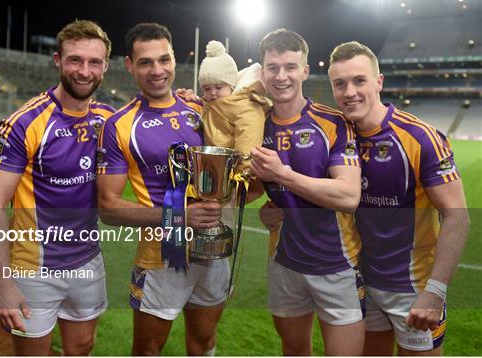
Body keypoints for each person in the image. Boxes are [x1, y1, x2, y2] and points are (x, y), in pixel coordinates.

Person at [0, 20, 116, 355]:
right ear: (58, 60)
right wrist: (3, 283)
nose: (84, 71)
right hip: (33, 268)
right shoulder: (24, 124)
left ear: (105, 66)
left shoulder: (108, 120)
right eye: (75, 60)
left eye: (94, 62)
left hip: (88, 261)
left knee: (83, 347)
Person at [327, 41, 470, 355]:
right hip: (361, 283)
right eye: (340, 84)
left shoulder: (420, 137)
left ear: (379, 82)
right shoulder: (336, 138)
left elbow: (457, 215)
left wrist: (435, 291)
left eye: (359, 80)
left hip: (414, 290)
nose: (349, 92)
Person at [96, 22, 226, 356]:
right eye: (146, 62)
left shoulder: (201, 110)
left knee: (204, 343)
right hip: (160, 259)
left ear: (174, 60)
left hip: (212, 252)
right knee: (148, 348)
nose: (158, 70)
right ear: (129, 65)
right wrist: (179, 215)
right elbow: (108, 208)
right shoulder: (119, 126)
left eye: (164, 60)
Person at [249, 28, 365, 356]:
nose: (281, 76)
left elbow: (348, 196)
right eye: (273, 67)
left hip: (337, 265)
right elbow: (251, 187)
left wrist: (283, 176)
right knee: (294, 352)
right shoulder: (256, 126)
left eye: (290, 66)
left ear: (304, 70)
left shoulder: (334, 123)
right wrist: (262, 202)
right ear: (262, 72)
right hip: (284, 263)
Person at [199, 40, 270, 175]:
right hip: (215, 175)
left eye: (219, 87)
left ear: (231, 86)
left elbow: (248, 147)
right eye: (207, 88)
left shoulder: (246, 107)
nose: (213, 93)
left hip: (235, 180)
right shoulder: (210, 106)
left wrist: (241, 179)